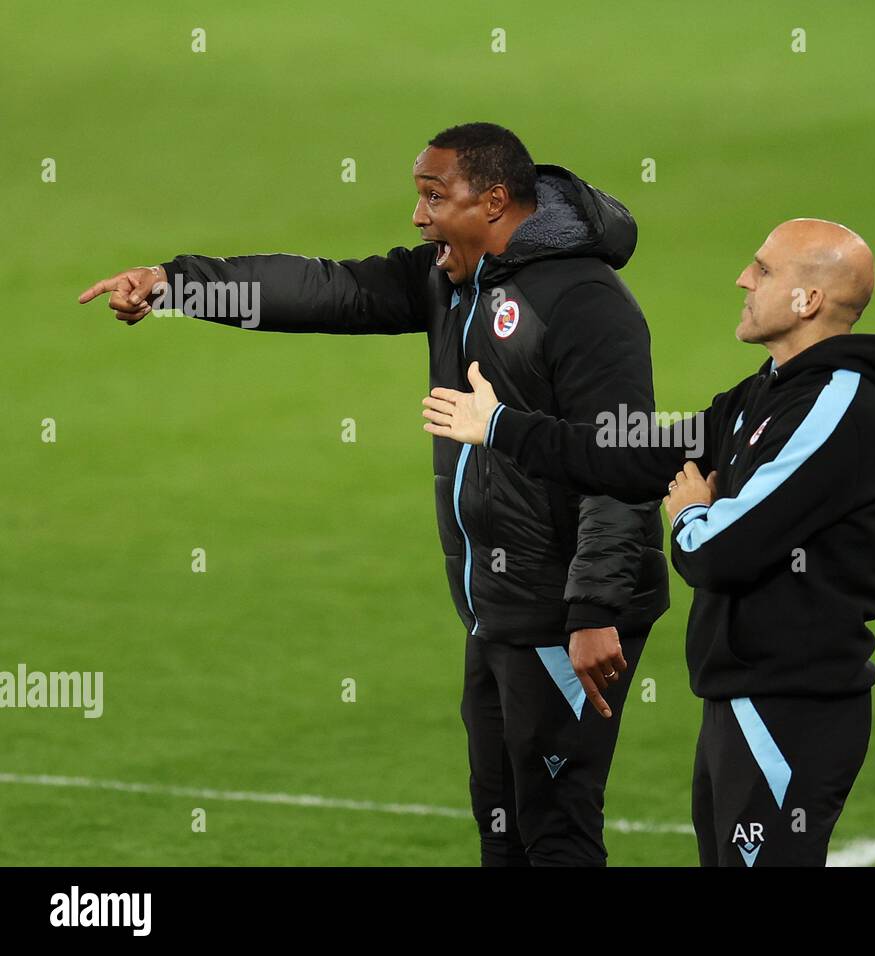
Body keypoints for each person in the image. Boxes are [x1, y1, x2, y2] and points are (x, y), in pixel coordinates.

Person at [78, 122, 670, 867]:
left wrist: (594, 610)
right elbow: (328, 290)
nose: (418, 217)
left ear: (493, 202)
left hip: (566, 613)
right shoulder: (455, 279)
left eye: (434, 197)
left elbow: (621, 463)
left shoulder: (585, 302)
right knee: (502, 829)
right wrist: (176, 285)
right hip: (497, 608)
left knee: (556, 834)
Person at [422, 218, 875, 866]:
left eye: (764, 270)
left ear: (810, 300)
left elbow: (716, 553)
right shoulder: (760, 395)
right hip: (738, 697)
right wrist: (502, 425)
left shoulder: (837, 405)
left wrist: (688, 514)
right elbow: (633, 457)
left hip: (791, 708)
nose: (743, 279)